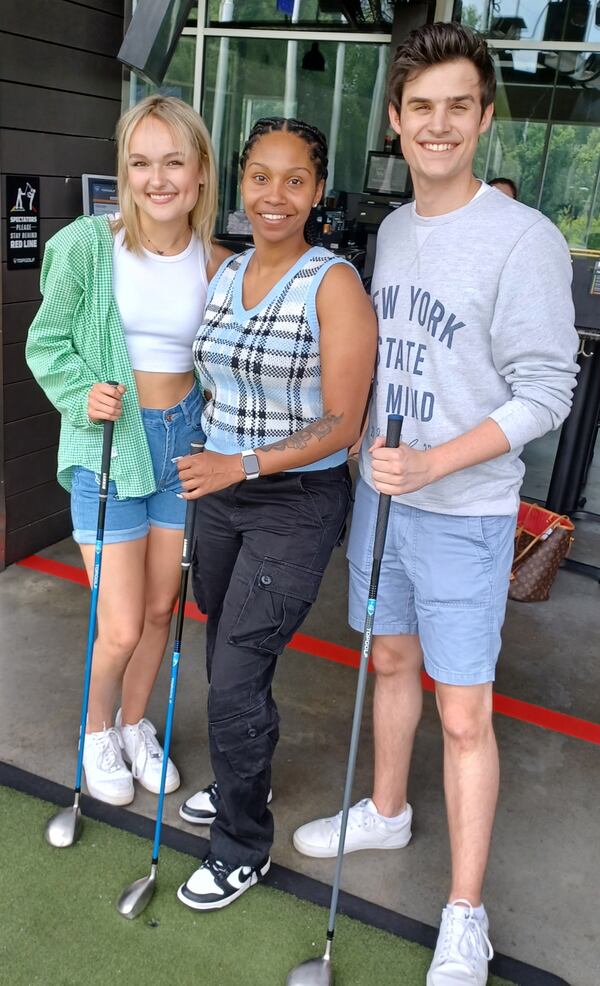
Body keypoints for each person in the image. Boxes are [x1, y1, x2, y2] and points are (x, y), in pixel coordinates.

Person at [292, 23, 578, 986]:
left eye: (460, 105)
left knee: (465, 715)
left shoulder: (525, 239)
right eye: (423, 108)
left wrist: (439, 463)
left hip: (465, 514)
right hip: (383, 500)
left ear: (485, 118)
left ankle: (466, 913)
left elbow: (547, 390)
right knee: (391, 663)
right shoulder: (395, 231)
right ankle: (386, 810)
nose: (440, 124)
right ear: (397, 123)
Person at [174, 117, 377, 910]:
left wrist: (244, 462)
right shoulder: (223, 273)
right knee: (224, 650)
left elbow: (343, 424)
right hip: (219, 495)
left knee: (237, 671)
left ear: (318, 191)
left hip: (294, 500)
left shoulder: (335, 284)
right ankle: (240, 785)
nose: (276, 196)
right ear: (240, 181)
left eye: (295, 180)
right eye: (261, 176)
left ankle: (240, 846)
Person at [26, 95, 230, 807]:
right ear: (125, 171)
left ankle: (136, 724)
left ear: (201, 172)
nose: (158, 178)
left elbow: (226, 364)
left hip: (183, 440)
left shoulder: (219, 264)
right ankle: (96, 731)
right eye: (141, 162)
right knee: (117, 621)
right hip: (109, 441)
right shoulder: (87, 244)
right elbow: (45, 341)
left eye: (174, 161)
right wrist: (83, 390)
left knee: (157, 610)